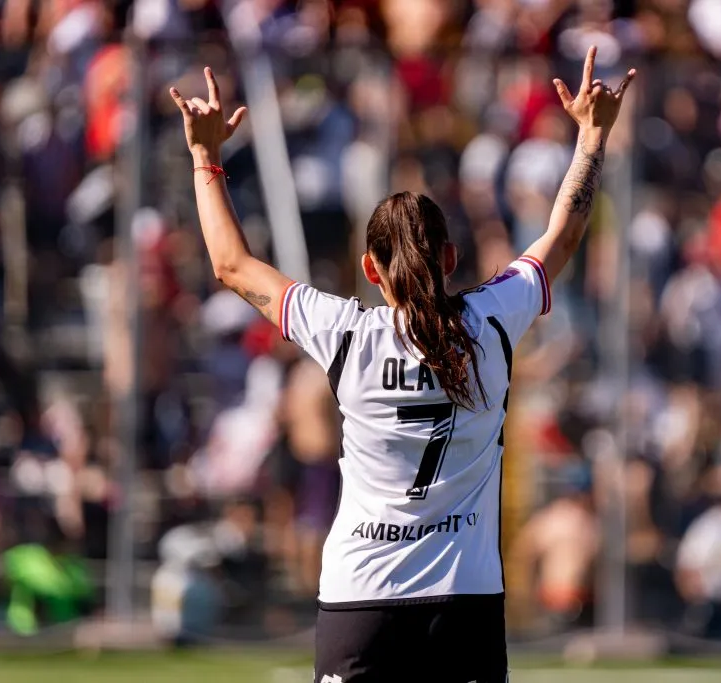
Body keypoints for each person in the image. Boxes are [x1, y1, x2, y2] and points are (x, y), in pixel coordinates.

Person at [169, 46, 635, 683]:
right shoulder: (493, 320)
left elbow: (231, 265)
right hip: (465, 600)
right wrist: (592, 137)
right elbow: (565, 232)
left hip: (362, 596)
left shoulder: (346, 335)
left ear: (370, 269)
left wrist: (205, 155)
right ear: (450, 258)